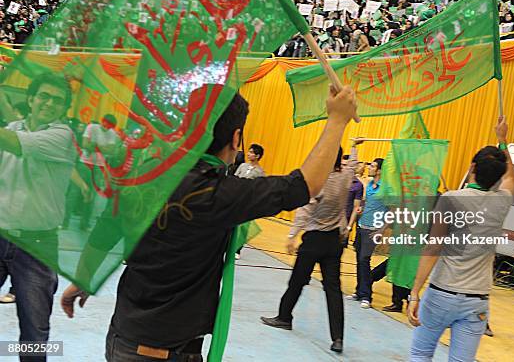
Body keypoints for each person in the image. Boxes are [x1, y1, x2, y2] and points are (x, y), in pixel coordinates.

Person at [61, 85, 357, 361]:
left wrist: (82, 279)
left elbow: (104, 232)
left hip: (123, 337)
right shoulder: (219, 193)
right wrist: (337, 120)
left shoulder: (145, 173)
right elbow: (304, 186)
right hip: (165, 350)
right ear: (237, 138)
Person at [408, 116, 514, 362]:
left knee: (420, 354)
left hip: (441, 293)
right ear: (497, 176)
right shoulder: (502, 201)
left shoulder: (451, 199)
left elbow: (433, 247)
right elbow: (511, 178)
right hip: (477, 300)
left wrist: (415, 292)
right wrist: (503, 140)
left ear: (472, 168)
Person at [0, 73, 76, 361]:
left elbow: (17, 144)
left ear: (63, 108)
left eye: (57, 100)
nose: (49, 103)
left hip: (37, 246)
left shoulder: (62, 136)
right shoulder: (12, 128)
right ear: (31, 99)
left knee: (34, 333)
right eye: (43, 96)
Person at [261, 139, 361, 354]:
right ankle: (338, 338)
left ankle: (284, 317)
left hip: (314, 240)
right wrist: (355, 147)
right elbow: (352, 165)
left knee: (297, 281)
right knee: (333, 289)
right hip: (334, 242)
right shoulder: (346, 178)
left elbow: (304, 211)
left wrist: (291, 235)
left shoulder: (319, 182)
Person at [346, 157, 386, 309]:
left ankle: (366, 296)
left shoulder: (386, 188)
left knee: (364, 259)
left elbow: (393, 211)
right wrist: (361, 208)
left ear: (380, 170)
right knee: (359, 260)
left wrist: (382, 229)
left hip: (373, 230)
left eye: (373, 166)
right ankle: (359, 291)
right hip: (362, 226)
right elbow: (366, 203)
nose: (370, 167)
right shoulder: (369, 185)